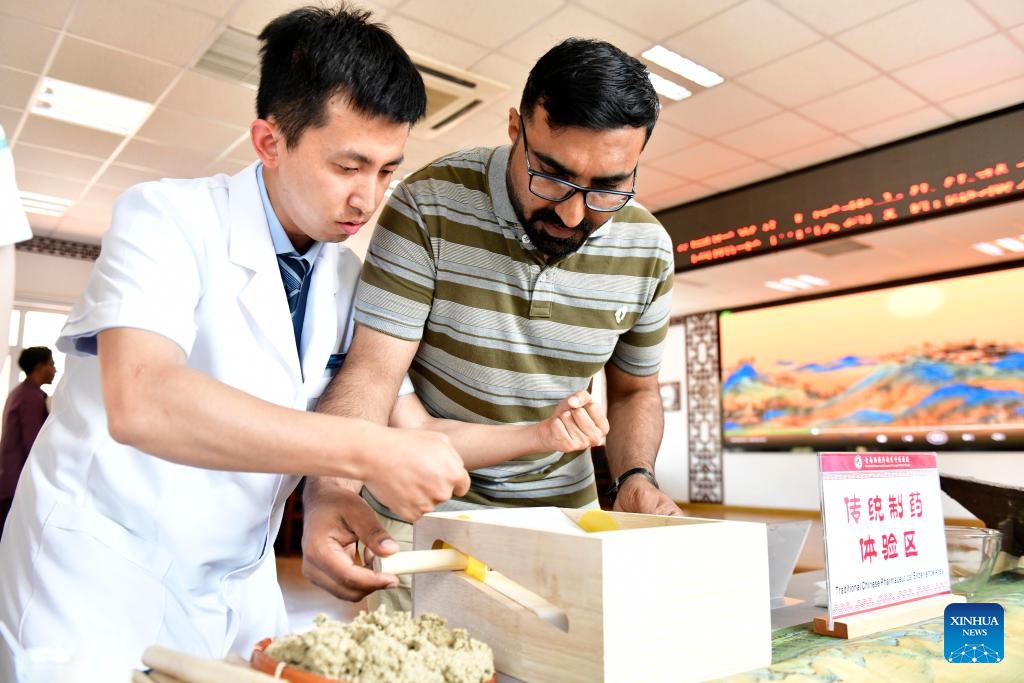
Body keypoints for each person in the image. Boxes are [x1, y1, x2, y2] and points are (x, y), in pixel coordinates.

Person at [0, 6, 474, 678]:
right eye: (349, 165)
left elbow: (404, 422)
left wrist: (326, 495)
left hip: (240, 583)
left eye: (387, 171)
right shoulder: (164, 216)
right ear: (269, 141)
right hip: (101, 579)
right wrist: (366, 449)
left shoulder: (342, 274)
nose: (368, 199)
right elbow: (143, 400)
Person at [307, 37, 682, 610]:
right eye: (551, 176)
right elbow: (373, 371)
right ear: (516, 127)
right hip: (424, 515)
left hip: (566, 518)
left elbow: (634, 389)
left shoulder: (648, 248)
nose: (573, 213)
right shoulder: (428, 204)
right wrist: (330, 489)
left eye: (607, 187)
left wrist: (635, 476)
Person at [0, 347, 55, 539]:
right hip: (16, 485)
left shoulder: (20, 392)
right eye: (51, 364)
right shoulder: (31, 398)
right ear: (39, 367)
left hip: (8, 481)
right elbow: (33, 445)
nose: (55, 370)